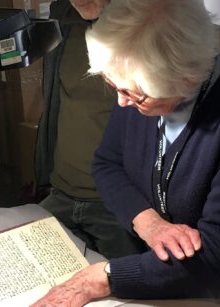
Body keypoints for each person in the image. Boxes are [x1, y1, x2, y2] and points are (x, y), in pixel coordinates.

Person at [32, 0, 220, 306]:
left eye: (134, 95)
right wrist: (149, 223)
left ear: (186, 81)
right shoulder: (138, 67)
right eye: (112, 85)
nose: (121, 103)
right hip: (167, 267)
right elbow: (108, 163)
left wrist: (104, 277)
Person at [34, 0, 151, 259]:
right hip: (60, 193)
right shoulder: (63, 21)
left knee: (131, 293)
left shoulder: (150, 26)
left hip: (119, 205)